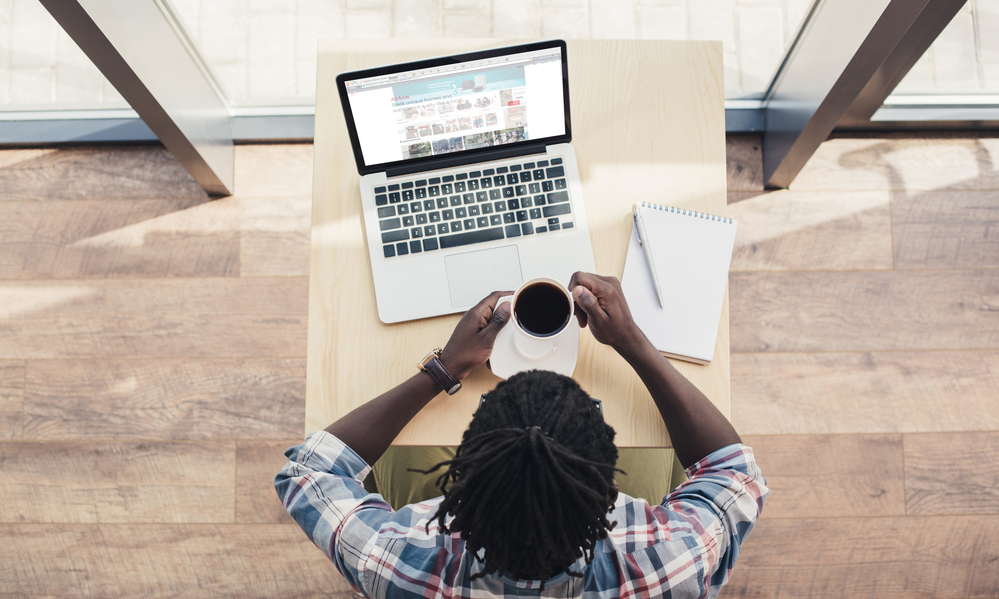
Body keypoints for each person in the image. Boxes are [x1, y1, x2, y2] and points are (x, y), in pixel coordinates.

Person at [275, 272, 768, 598]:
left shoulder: (400, 563)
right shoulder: (671, 564)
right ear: (608, 491)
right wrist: (633, 341)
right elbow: (733, 471)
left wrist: (444, 369)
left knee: (391, 465)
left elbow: (307, 471)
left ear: (460, 480)